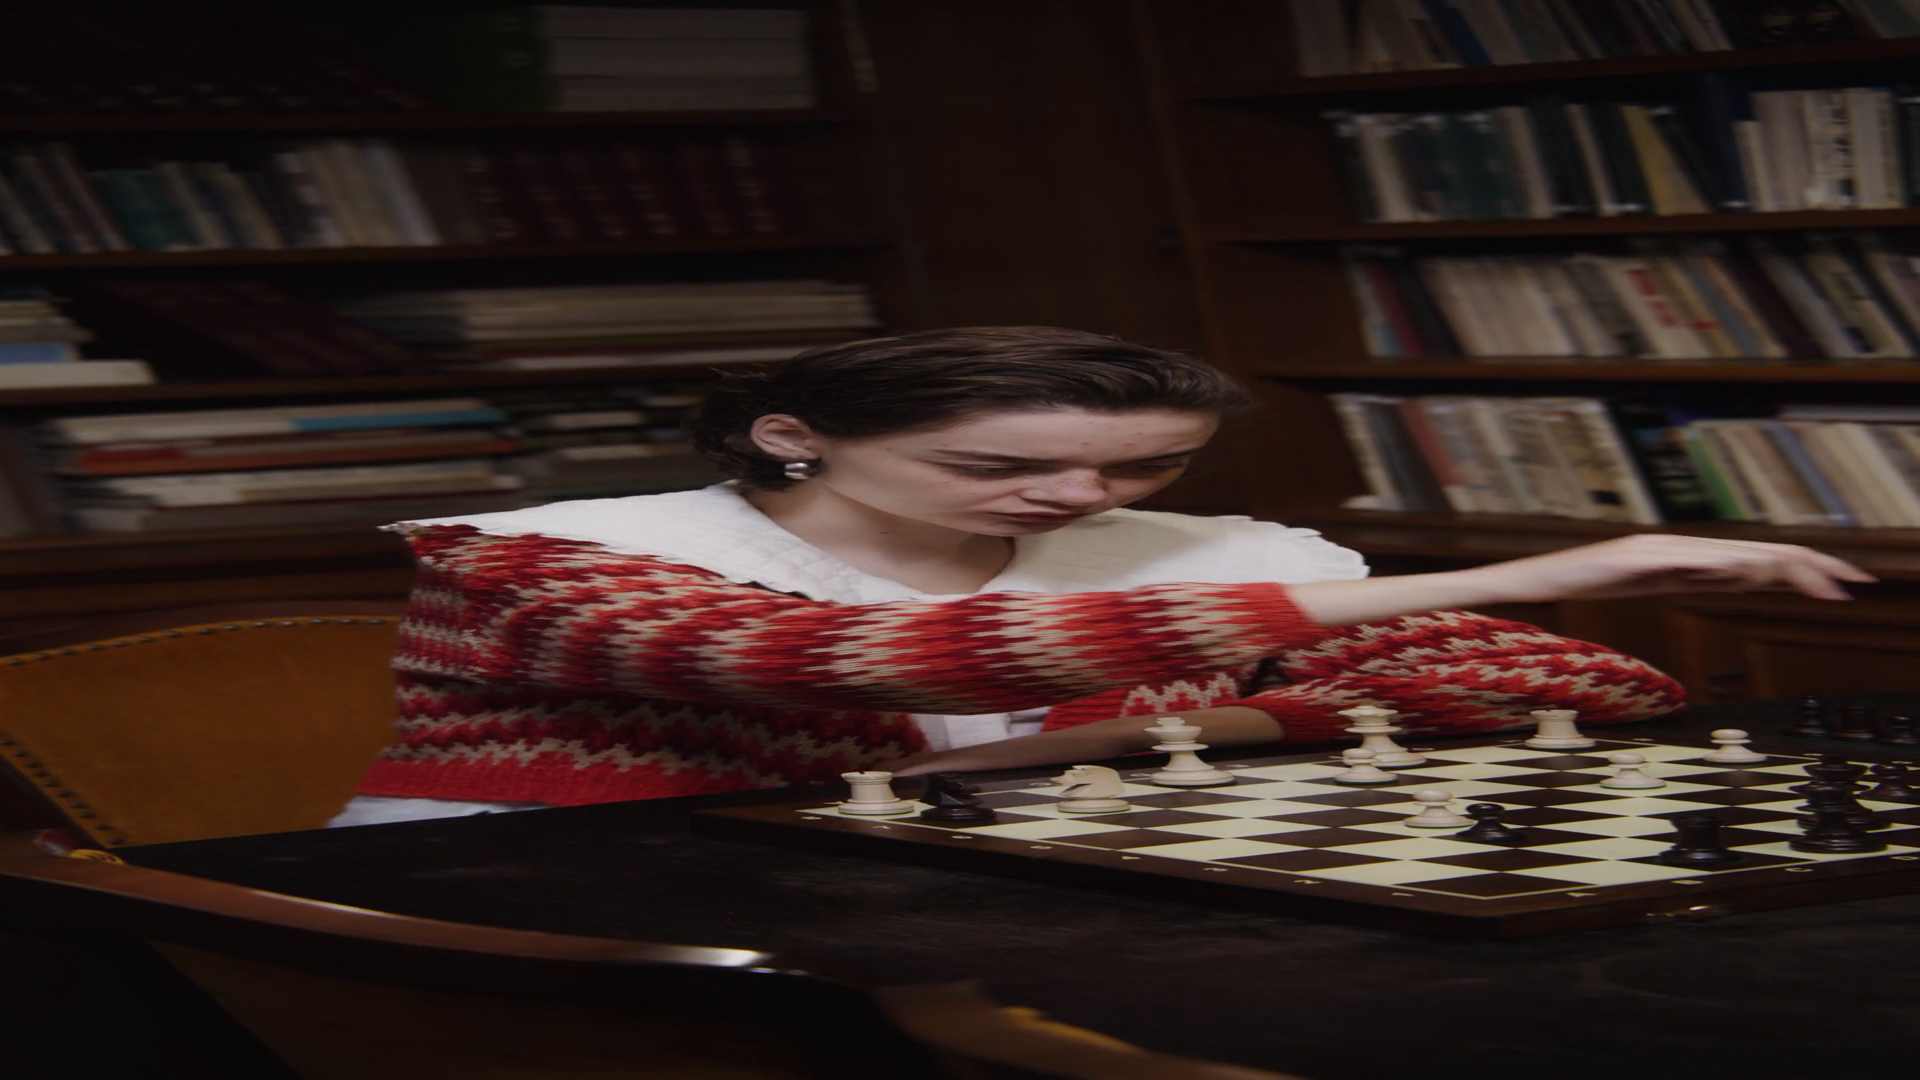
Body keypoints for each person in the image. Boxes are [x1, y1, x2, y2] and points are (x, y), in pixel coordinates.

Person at [331, 327, 1871, 826]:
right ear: (794, 438)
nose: (1081, 501)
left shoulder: (1198, 556)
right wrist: (1576, 561)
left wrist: (1171, 729)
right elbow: (871, 662)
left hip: (964, 880)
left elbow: (1578, 681)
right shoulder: (558, 561)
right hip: (531, 911)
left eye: (1142, 470)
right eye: (1003, 467)